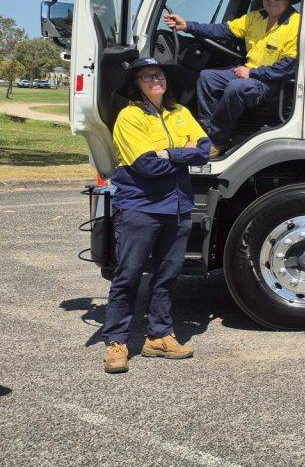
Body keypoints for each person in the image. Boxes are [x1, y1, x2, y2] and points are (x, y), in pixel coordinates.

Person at [102, 58, 211, 374]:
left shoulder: (180, 113)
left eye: (159, 74)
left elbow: (205, 149)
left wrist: (168, 153)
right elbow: (147, 166)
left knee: (167, 276)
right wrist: (182, 153)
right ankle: (116, 342)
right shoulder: (130, 118)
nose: (155, 80)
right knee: (128, 275)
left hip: (178, 208)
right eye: (147, 76)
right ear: (137, 85)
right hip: (141, 207)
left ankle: (159, 336)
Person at [162, 0, 300, 157]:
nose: (271, 0)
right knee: (207, 77)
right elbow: (222, 30)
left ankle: (217, 141)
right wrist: (187, 25)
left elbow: (288, 67)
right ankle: (206, 136)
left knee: (237, 87)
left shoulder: (296, 23)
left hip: (274, 83)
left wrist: (252, 73)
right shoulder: (255, 17)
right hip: (250, 73)